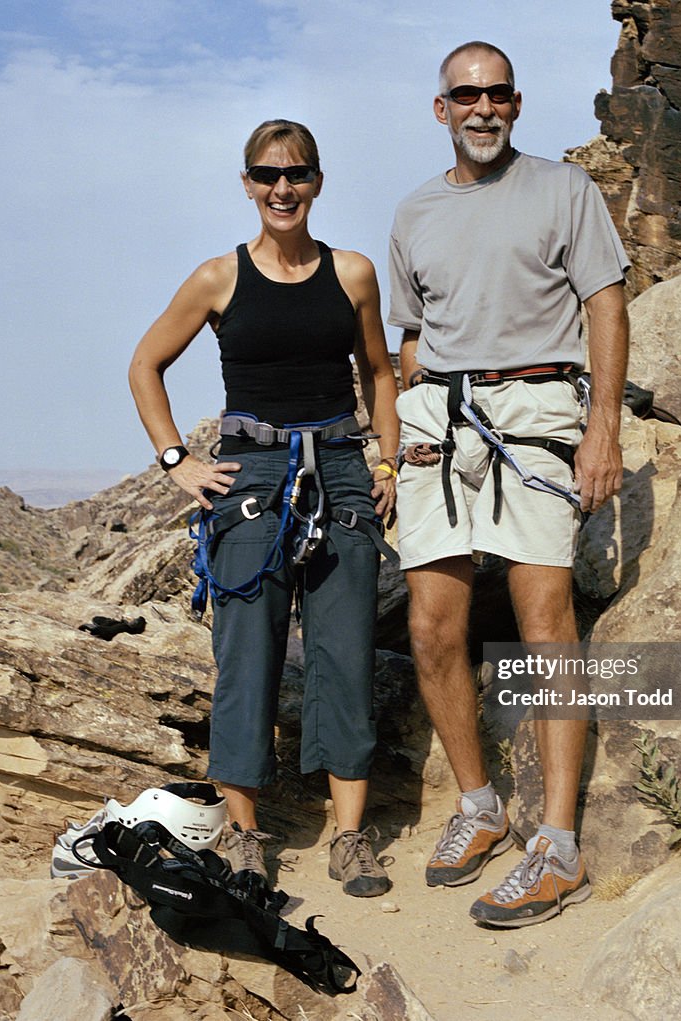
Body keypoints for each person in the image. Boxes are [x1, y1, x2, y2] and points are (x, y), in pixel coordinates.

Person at [388, 42, 630, 927]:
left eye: (496, 94)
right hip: (440, 429)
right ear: (442, 108)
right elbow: (411, 335)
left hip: (534, 419)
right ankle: (480, 806)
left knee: (544, 623)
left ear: (517, 105)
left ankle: (557, 846)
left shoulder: (566, 191)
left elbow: (606, 305)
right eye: (466, 96)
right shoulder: (414, 212)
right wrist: (407, 432)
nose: (482, 108)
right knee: (431, 625)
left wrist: (603, 425)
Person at [129, 119, 400, 898]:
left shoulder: (352, 274)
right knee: (245, 653)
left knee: (344, 648)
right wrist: (179, 461)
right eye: (266, 175)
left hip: (342, 470)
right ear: (247, 184)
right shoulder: (219, 278)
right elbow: (145, 365)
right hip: (248, 479)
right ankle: (245, 838)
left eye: (298, 174)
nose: (283, 189)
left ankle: (350, 837)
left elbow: (379, 372)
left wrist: (386, 460)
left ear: (317, 181)